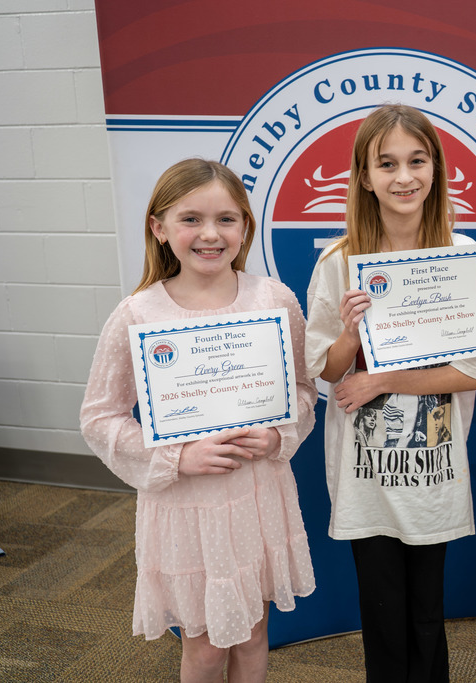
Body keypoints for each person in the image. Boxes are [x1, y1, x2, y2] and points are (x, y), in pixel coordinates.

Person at [80, 159, 317, 683]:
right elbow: (100, 418)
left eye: (226, 220)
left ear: (245, 228)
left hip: (258, 492)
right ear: (159, 228)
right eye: (191, 219)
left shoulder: (274, 300)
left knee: (254, 635)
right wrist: (176, 456)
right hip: (186, 505)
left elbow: (302, 391)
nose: (210, 234)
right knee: (206, 647)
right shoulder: (138, 314)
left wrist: (278, 432)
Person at [305, 104, 476, 683]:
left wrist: (386, 378)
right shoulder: (339, 262)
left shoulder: (461, 258)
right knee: (380, 610)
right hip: (366, 472)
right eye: (386, 163)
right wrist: (349, 334)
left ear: (436, 169)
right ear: (364, 176)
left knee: (426, 611)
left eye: (417, 161)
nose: (403, 177)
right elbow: (325, 369)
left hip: (433, 469)